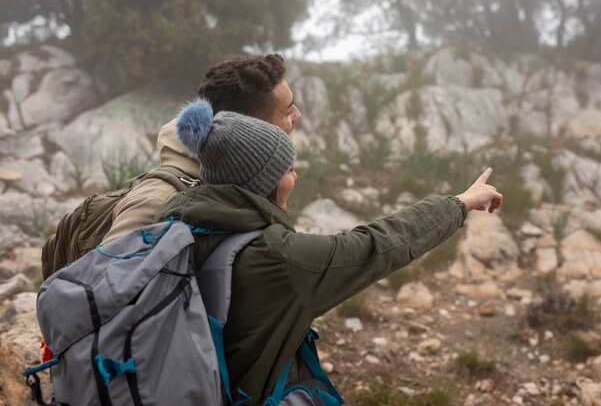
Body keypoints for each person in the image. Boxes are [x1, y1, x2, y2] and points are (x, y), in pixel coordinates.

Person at [157, 99, 504, 405]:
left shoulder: (172, 221)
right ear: (262, 183)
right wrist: (459, 203)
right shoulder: (277, 258)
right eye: (286, 168)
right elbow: (378, 245)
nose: (295, 174)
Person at [103, 54, 301, 243]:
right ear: (251, 128)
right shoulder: (158, 200)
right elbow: (106, 272)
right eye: (287, 110)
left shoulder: (249, 183)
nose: (298, 115)